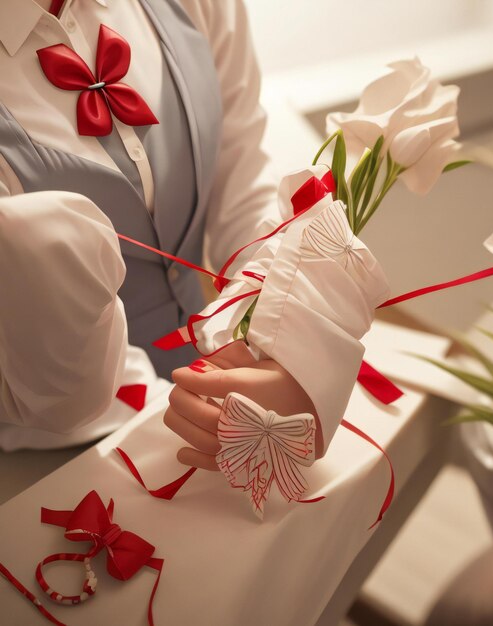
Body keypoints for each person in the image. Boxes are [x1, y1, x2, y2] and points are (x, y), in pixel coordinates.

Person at [0, 0, 379, 466]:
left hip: (217, 388)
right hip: (58, 448)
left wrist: (281, 342)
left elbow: (243, 176)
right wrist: (179, 401)